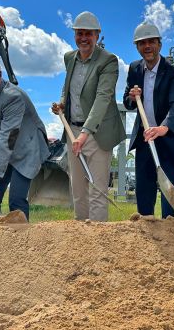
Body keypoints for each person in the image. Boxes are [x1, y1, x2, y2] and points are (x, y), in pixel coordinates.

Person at [51, 11, 125, 222]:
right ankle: (81, 238)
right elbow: (69, 88)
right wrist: (62, 102)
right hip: (72, 130)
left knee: (97, 190)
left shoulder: (108, 61)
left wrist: (85, 133)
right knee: (78, 189)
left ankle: (99, 241)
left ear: (97, 35)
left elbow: (103, 97)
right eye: (79, 33)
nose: (83, 38)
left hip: (97, 133)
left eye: (89, 34)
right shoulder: (69, 58)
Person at [0, 51, 49, 223]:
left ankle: (21, 245)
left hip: (27, 148)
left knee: (17, 200)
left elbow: (8, 138)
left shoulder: (13, 97)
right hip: (6, 151)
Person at [123, 23, 174, 218]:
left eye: (151, 41)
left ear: (159, 44)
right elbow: (127, 103)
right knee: (144, 191)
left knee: (169, 196)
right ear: (137, 47)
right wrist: (131, 96)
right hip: (145, 139)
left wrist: (164, 127)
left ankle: (171, 234)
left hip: (168, 139)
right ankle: (146, 234)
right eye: (142, 43)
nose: (147, 46)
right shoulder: (135, 68)